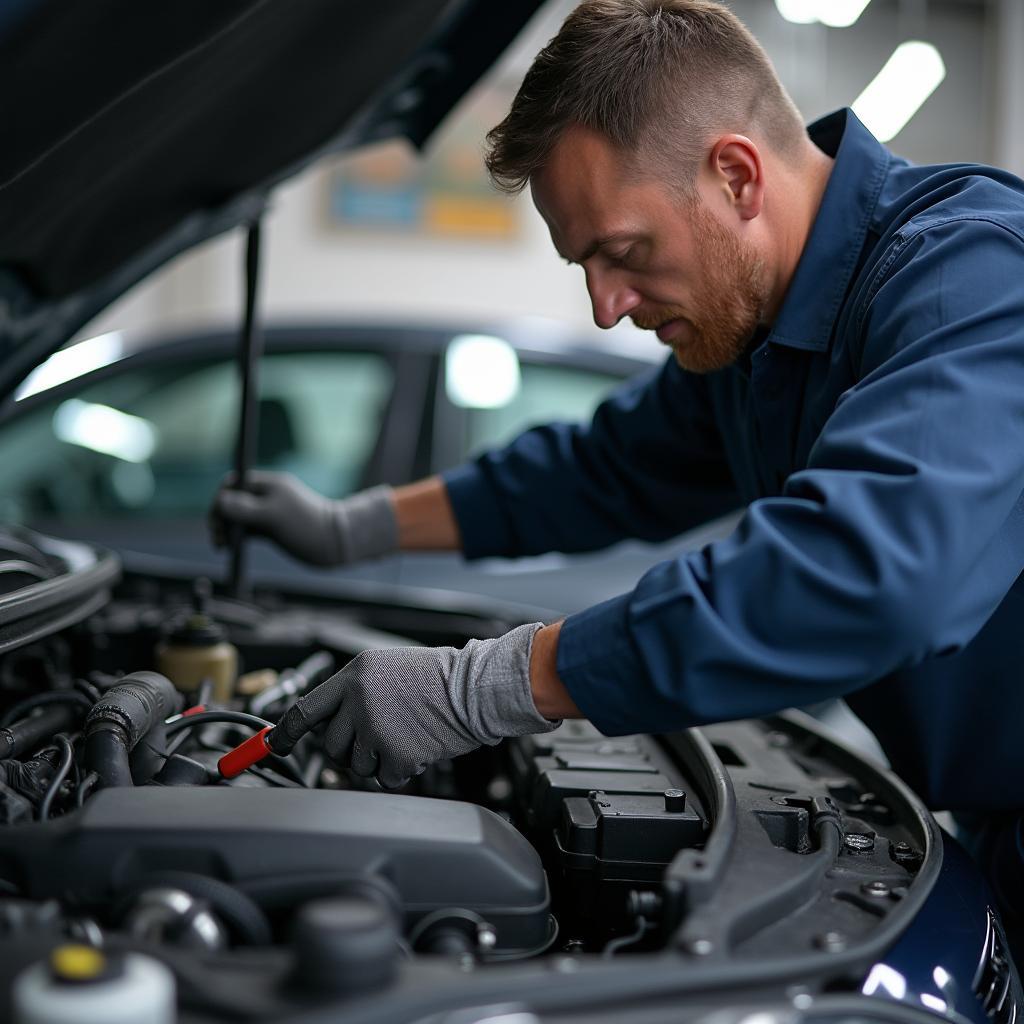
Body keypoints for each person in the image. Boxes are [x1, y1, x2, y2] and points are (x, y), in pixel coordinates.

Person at [212, 0, 1024, 937]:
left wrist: (489, 687)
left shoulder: (974, 278)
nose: (606, 307)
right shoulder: (758, 339)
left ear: (735, 175)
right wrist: (354, 528)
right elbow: (597, 471)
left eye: (623, 253)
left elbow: (870, 574)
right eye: (584, 266)